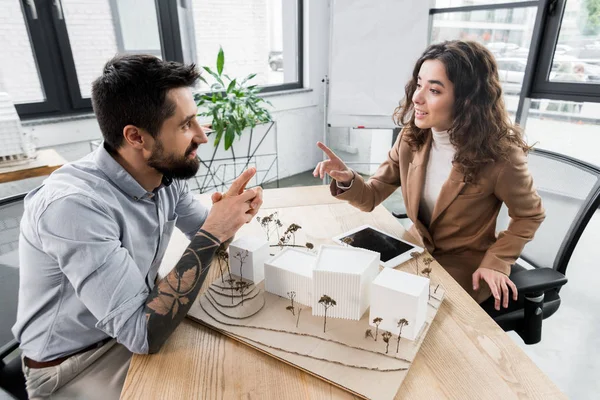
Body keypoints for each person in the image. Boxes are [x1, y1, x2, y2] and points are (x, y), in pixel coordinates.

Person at [12, 54, 263, 399]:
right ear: (136, 137)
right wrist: (214, 231)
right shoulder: (73, 206)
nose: (202, 136)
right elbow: (142, 334)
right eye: (185, 125)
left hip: (130, 326)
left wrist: (229, 216)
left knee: (240, 362)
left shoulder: (163, 174)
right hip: (73, 364)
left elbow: (207, 232)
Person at [314, 40, 545, 310]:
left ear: (467, 100)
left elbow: (530, 214)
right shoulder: (412, 138)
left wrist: (498, 261)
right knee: (351, 295)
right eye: (419, 84)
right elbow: (372, 196)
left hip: (463, 267)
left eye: (434, 89)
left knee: (401, 317)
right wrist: (347, 179)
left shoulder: (501, 157)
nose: (417, 97)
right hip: (413, 249)